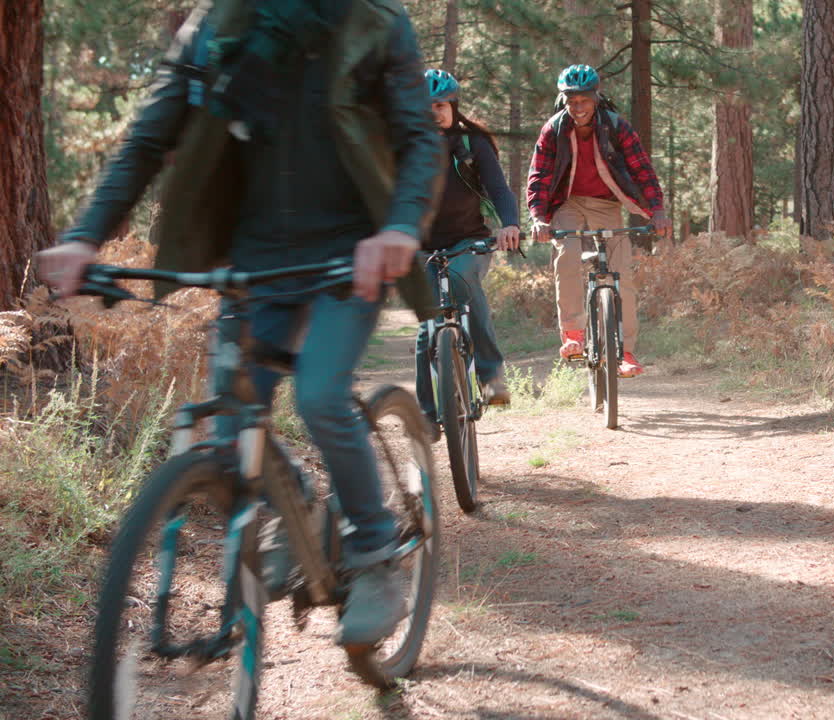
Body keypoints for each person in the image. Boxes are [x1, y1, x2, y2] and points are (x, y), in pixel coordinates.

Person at [36, 0, 445, 646]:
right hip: (256, 265)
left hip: (351, 257)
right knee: (230, 432)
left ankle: (377, 552)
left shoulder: (374, 24)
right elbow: (149, 138)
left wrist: (398, 228)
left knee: (319, 395)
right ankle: (304, 507)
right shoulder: (217, 27)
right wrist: (86, 236)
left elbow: (421, 139)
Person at [526, 64, 673, 378]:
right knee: (567, 256)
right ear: (563, 100)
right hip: (566, 203)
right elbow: (539, 175)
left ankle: (625, 351)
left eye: (584, 101)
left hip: (606, 204)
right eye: (571, 101)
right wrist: (538, 216)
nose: (577, 108)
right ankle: (574, 334)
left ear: (596, 98)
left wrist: (657, 210)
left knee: (622, 276)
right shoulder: (554, 129)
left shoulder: (616, 126)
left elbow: (642, 170)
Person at [416, 69, 521, 418]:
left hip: (468, 241)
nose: (435, 112)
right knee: (427, 325)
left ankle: (491, 378)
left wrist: (509, 224)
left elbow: (499, 188)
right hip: (421, 247)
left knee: (465, 285)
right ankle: (428, 413)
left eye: (441, 105)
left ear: (454, 106)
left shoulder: (472, 143)